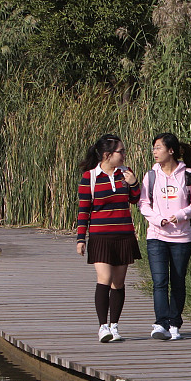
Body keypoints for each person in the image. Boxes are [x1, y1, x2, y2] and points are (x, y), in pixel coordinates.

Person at [76, 134, 141, 342]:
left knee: (119, 283)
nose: (123, 155)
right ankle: (102, 326)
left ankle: (115, 326)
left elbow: (136, 200)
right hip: (100, 235)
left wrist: (134, 183)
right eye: (120, 151)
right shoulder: (90, 177)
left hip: (123, 234)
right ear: (107, 155)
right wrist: (80, 238)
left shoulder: (126, 173)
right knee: (104, 278)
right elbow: (83, 209)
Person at [138, 132, 191, 340]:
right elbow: (143, 204)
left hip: (181, 238)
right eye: (154, 148)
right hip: (156, 235)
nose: (154, 152)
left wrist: (180, 215)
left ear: (171, 150)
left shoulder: (188, 175)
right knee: (159, 281)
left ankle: (175, 324)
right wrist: (158, 219)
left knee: (178, 281)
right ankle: (161, 324)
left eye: (158, 148)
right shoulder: (151, 175)